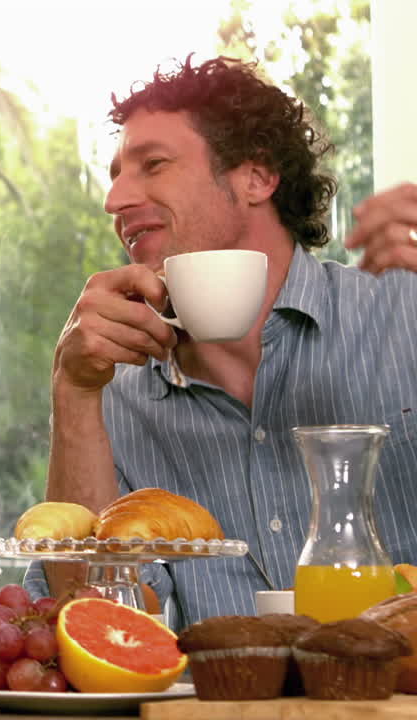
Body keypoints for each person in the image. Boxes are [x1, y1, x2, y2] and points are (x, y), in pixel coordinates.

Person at [35, 54, 417, 627]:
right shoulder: (112, 391)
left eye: (153, 164)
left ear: (257, 177)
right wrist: (74, 392)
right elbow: (99, 626)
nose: (115, 201)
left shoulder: (403, 312)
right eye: (115, 174)